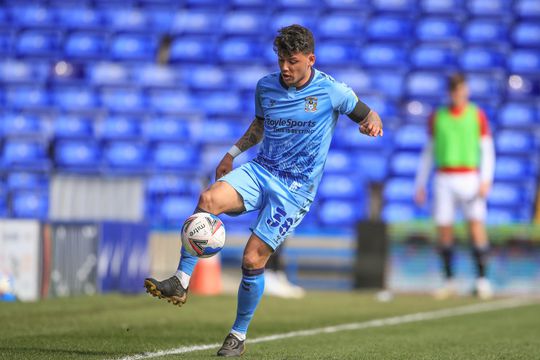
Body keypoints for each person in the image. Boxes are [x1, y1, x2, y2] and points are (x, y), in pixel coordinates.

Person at [144, 24, 383, 357]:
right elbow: (259, 127)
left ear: (310, 59)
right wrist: (231, 154)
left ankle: (237, 335)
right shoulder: (266, 87)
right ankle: (181, 282)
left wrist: (372, 120)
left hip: (294, 190)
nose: (284, 68)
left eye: (293, 61)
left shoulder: (332, 91)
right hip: (261, 170)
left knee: (252, 257)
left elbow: (366, 112)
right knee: (208, 199)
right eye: (281, 60)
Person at [414, 73, 495, 300]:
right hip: (443, 178)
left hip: (470, 177)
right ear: (450, 93)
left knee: (476, 227)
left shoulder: (476, 115)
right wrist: (420, 183)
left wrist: (486, 179)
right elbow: (428, 152)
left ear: (466, 91)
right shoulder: (438, 116)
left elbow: (487, 149)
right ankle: (449, 281)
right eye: (455, 91)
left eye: (462, 91)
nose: (459, 95)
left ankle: (482, 280)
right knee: (444, 229)